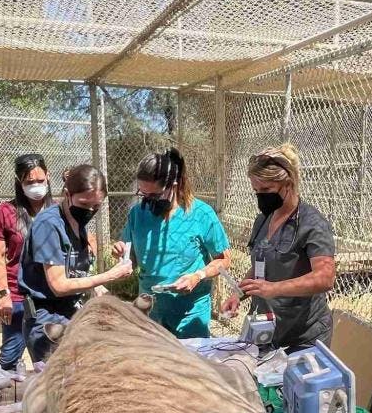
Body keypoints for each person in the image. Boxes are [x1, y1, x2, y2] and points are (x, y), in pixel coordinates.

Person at [220, 144, 337, 352]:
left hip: (303, 337)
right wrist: (238, 294)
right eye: (256, 190)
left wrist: (274, 289)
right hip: (266, 331)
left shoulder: (311, 223)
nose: (260, 196)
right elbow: (260, 267)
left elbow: (325, 277)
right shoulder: (263, 221)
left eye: (266, 190)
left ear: (288, 184)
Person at [112, 148, 231, 339]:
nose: (148, 202)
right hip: (149, 310)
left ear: (172, 185)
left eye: (155, 195)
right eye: (143, 195)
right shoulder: (137, 214)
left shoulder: (201, 214)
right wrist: (122, 255)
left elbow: (224, 260)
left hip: (189, 314)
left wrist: (198, 276)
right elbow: (131, 259)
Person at [18, 164, 131, 362]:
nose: (89, 211)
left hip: (71, 312)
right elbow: (59, 285)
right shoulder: (49, 225)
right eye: (84, 204)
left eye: (96, 206)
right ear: (67, 194)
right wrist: (109, 275)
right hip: (47, 320)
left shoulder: (77, 223)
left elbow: (72, 270)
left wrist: (96, 287)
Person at [0, 153, 51, 371]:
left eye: (39, 180)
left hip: (51, 294)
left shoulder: (59, 211)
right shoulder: (5, 212)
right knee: (8, 358)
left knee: (49, 358)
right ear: (19, 182)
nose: (36, 186)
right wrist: (3, 295)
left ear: (48, 177)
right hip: (18, 296)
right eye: (29, 182)